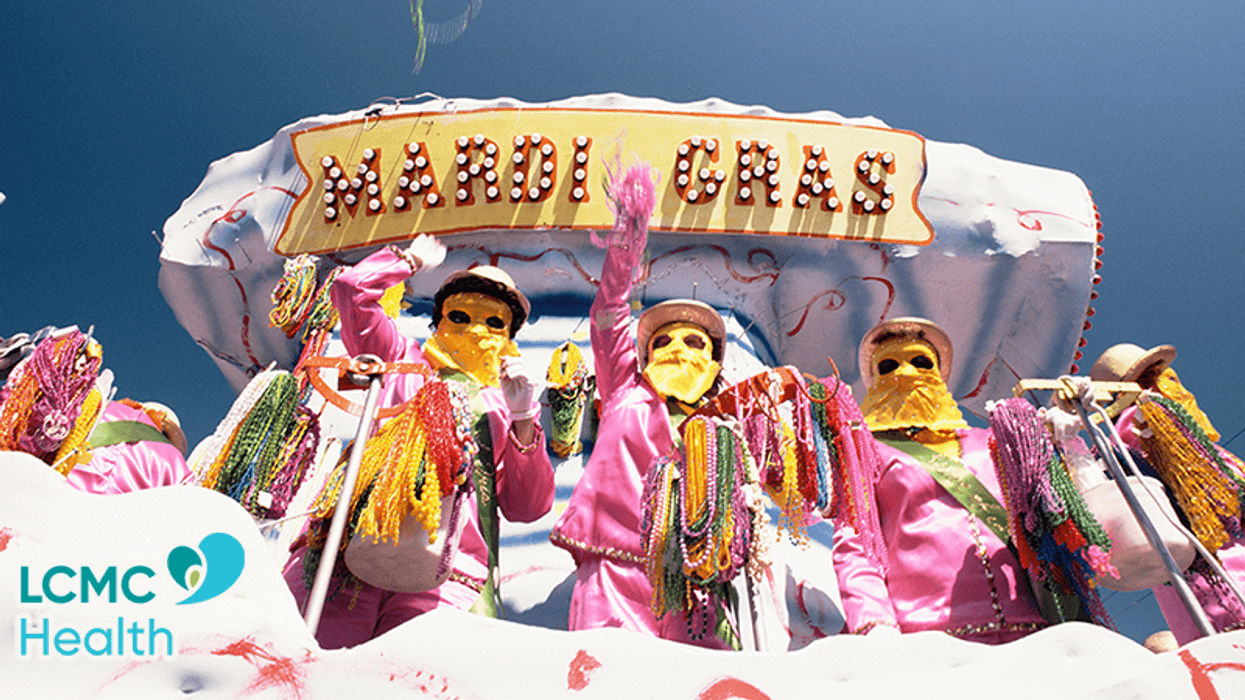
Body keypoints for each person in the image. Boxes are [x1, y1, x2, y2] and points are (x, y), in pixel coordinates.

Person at [282, 234, 555, 649]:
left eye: (494, 321)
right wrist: (405, 260)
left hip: (447, 570)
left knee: (416, 678)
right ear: (440, 319)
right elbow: (352, 291)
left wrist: (522, 419)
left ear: (508, 337)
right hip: (347, 545)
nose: (476, 329)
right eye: (461, 315)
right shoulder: (399, 360)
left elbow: (526, 505)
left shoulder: (503, 403)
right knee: (312, 665)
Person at [549, 163, 733, 648]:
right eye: (665, 340)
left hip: (700, 576)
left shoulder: (727, 424)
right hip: (615, 563)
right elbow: (609, 315)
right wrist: (626, 243)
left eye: (696, 342)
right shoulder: (625, 391)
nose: (679, 349)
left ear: (715, 365)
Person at [831, 317, 1046, 643]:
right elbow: (856, 542)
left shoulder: (992, 440)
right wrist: (873, 624)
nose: (905, 373)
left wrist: (1065, 448)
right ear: (875, 381)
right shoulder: (867, 452)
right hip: (927, 637)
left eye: (920, 361)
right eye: (888, 366)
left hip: (1031, 626)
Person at [1091, 343, 1245, 644]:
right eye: (1154, 376)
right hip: (1213, 570)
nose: (1168, 382)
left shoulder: (1188, 435)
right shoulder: (1137, 425)